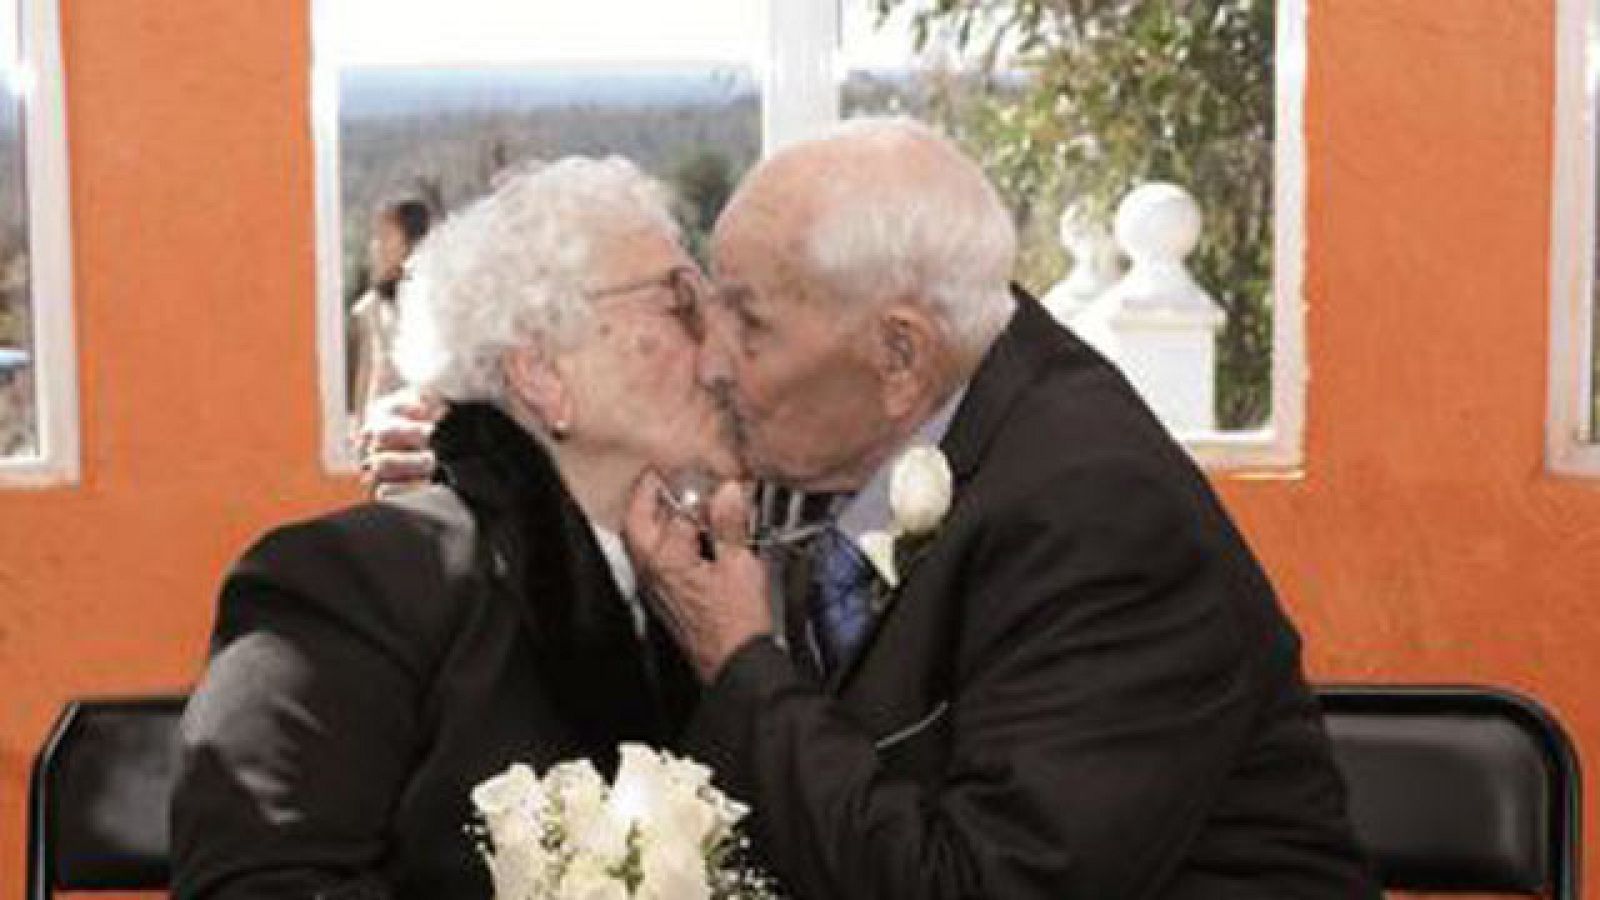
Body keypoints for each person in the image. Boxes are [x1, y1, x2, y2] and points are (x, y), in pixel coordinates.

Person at [621, 118, 1382, 898]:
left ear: (900, 356)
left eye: (749, 323)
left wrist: (740, 662)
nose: (710, 360)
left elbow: (988, 888)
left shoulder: (1099, 517)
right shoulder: (853, 436)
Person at [172, 157, 732, 899]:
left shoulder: (699, 590)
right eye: (680, 302)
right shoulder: (350, 584)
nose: (721, 342)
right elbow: (257, 887)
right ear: (542, 376)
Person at [349, 198, 431, 421]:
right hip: (381, 419)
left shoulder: (430, 299)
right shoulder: (372, 307)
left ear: (412, 244)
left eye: (385, 237)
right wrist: (360, 423)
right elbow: (367, 372)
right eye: (376, 238)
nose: (376, 247)